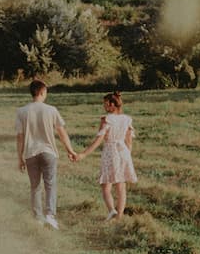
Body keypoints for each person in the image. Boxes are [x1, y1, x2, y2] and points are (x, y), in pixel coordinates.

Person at [15, 79, 78, 229]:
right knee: (50, 184)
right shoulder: (51, 110)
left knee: (35, 186)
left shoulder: (22, 111)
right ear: (42, 92)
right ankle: (50, 215)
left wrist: (20, 158)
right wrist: (70, 150)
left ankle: (38, 217)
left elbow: (20, 137)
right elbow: (62, 133)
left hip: (31, 152)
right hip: (49, 152)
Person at [77, 91, 137, 220]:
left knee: (106, 184)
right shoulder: (127, 119)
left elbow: (98, 140)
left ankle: (112, 211)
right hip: (124, 151)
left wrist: (83, 154)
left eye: (105, 104)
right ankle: (119, 216)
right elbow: (129, 141)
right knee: (121, 185)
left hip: (111, 151)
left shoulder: (107, 119)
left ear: (112, 105)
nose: (104, 106)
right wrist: (127, 156)